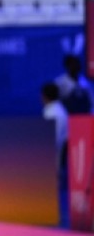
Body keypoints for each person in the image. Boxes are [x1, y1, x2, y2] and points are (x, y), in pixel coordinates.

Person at [42, 81, 70, 227]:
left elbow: (51, 136)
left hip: (54, 152)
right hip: (56, 152)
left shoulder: (53, 112)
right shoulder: (59, 110)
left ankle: (54, 214)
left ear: (44, 96)